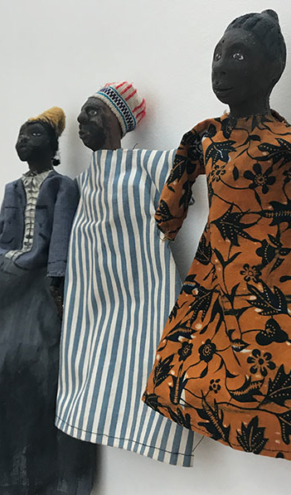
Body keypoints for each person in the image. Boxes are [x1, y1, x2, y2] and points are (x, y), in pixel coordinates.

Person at [143, 10, 291, 468]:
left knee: (287, 353)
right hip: (216, 265)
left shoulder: (286, 141)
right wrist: (167, 219)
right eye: (218, 54)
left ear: (272, 70)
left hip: (276, 265)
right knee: (201, 351)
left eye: (238, 55)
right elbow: (182, 169)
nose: (220, 66)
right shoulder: (208, 136)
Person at [56, 83, 195, 467]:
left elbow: (189, 165)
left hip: (142, 288)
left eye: (93, 111)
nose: (82, 118)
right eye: (82, 112)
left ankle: (149, 430)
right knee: (88, 362)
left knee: (143, 358)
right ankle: (89, 416)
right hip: (90, 293)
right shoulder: (81, 182)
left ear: (119, 120)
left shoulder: (146, 164)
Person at [0, 107, 95, 495]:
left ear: (53, 144)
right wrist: (5, 263)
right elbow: (2, 236)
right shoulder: (12, 188)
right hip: (4, 281)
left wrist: (56, 279)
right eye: (21, 135)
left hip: (43, 284)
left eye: (34, 134)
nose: (25, 141)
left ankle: (56, 482)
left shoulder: (63, 187)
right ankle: (0, 482)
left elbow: (61, 239)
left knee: (46, 372)